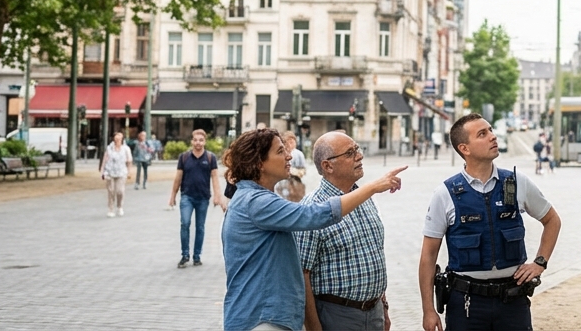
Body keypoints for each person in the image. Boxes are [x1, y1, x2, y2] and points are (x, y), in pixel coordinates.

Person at [221, 128, 405, 331]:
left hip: (271, 316)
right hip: (261, 318)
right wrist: (372, 187)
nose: (289, 155)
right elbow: (313, 215)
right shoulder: (255, 202)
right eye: (280, 151)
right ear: (259, 163)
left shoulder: (258, 198)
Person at [419, 113, 562, 331]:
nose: (492, 137)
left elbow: (552, 220)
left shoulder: (516, 183)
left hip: (512, 301)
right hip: (466, 305)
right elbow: (428, 256)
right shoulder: (445, 194)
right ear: (464, 148)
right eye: (482, 134)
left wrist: (539, 262)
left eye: (491, 130)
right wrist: (428, 310)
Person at [296, 131, 394, 331]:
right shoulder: (312, 209)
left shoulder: (363, 198)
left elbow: (374, 253)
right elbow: (301, 274)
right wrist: (314, 327)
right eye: (349, 153)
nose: (359, 156)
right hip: (337, 315)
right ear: (327, 165)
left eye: (357, 149)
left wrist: (383, 308)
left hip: (373, 312)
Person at [168, 129, 226, 267]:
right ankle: (185, 255)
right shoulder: (184, 157)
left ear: (204, 141)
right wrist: (172, 196)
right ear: (192, 141)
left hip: (203, 198)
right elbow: (178, 178)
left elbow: (215, 178)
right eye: (195, 140)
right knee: (185, 223)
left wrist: (217, 196)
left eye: (201, 140)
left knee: (200, 227)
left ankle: (197, 256)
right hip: (187, 196)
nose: (198, 143)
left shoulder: (210, 158)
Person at [102, 131, 133, 217]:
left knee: (120, 191)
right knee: (111, 191)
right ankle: (111, 209)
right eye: (116, 138)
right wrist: (103, 171)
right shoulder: (109, 148)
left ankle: (119, 206)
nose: (118, 140)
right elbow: (105, 160)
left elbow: (129, 161)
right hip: (109, 171)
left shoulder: (126, 149)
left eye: (119, 138)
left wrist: (129, 172)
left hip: (122, 172)